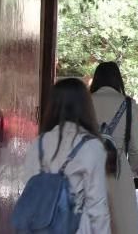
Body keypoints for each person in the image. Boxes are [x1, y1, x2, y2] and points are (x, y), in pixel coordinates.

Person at [22, 78, 110, 234]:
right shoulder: (91, 146)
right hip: (77, 227)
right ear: (85, 107)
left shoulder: (38, 144)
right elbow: (97, 205)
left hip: (40, 227)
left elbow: (29, 189)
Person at [90, 62, 138, 234]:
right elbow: (136, 145)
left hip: (88, 167)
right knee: (122, 221)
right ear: (117, 79)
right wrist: (132, 169)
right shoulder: (128, 103)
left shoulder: (85, 101)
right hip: (118, 168)